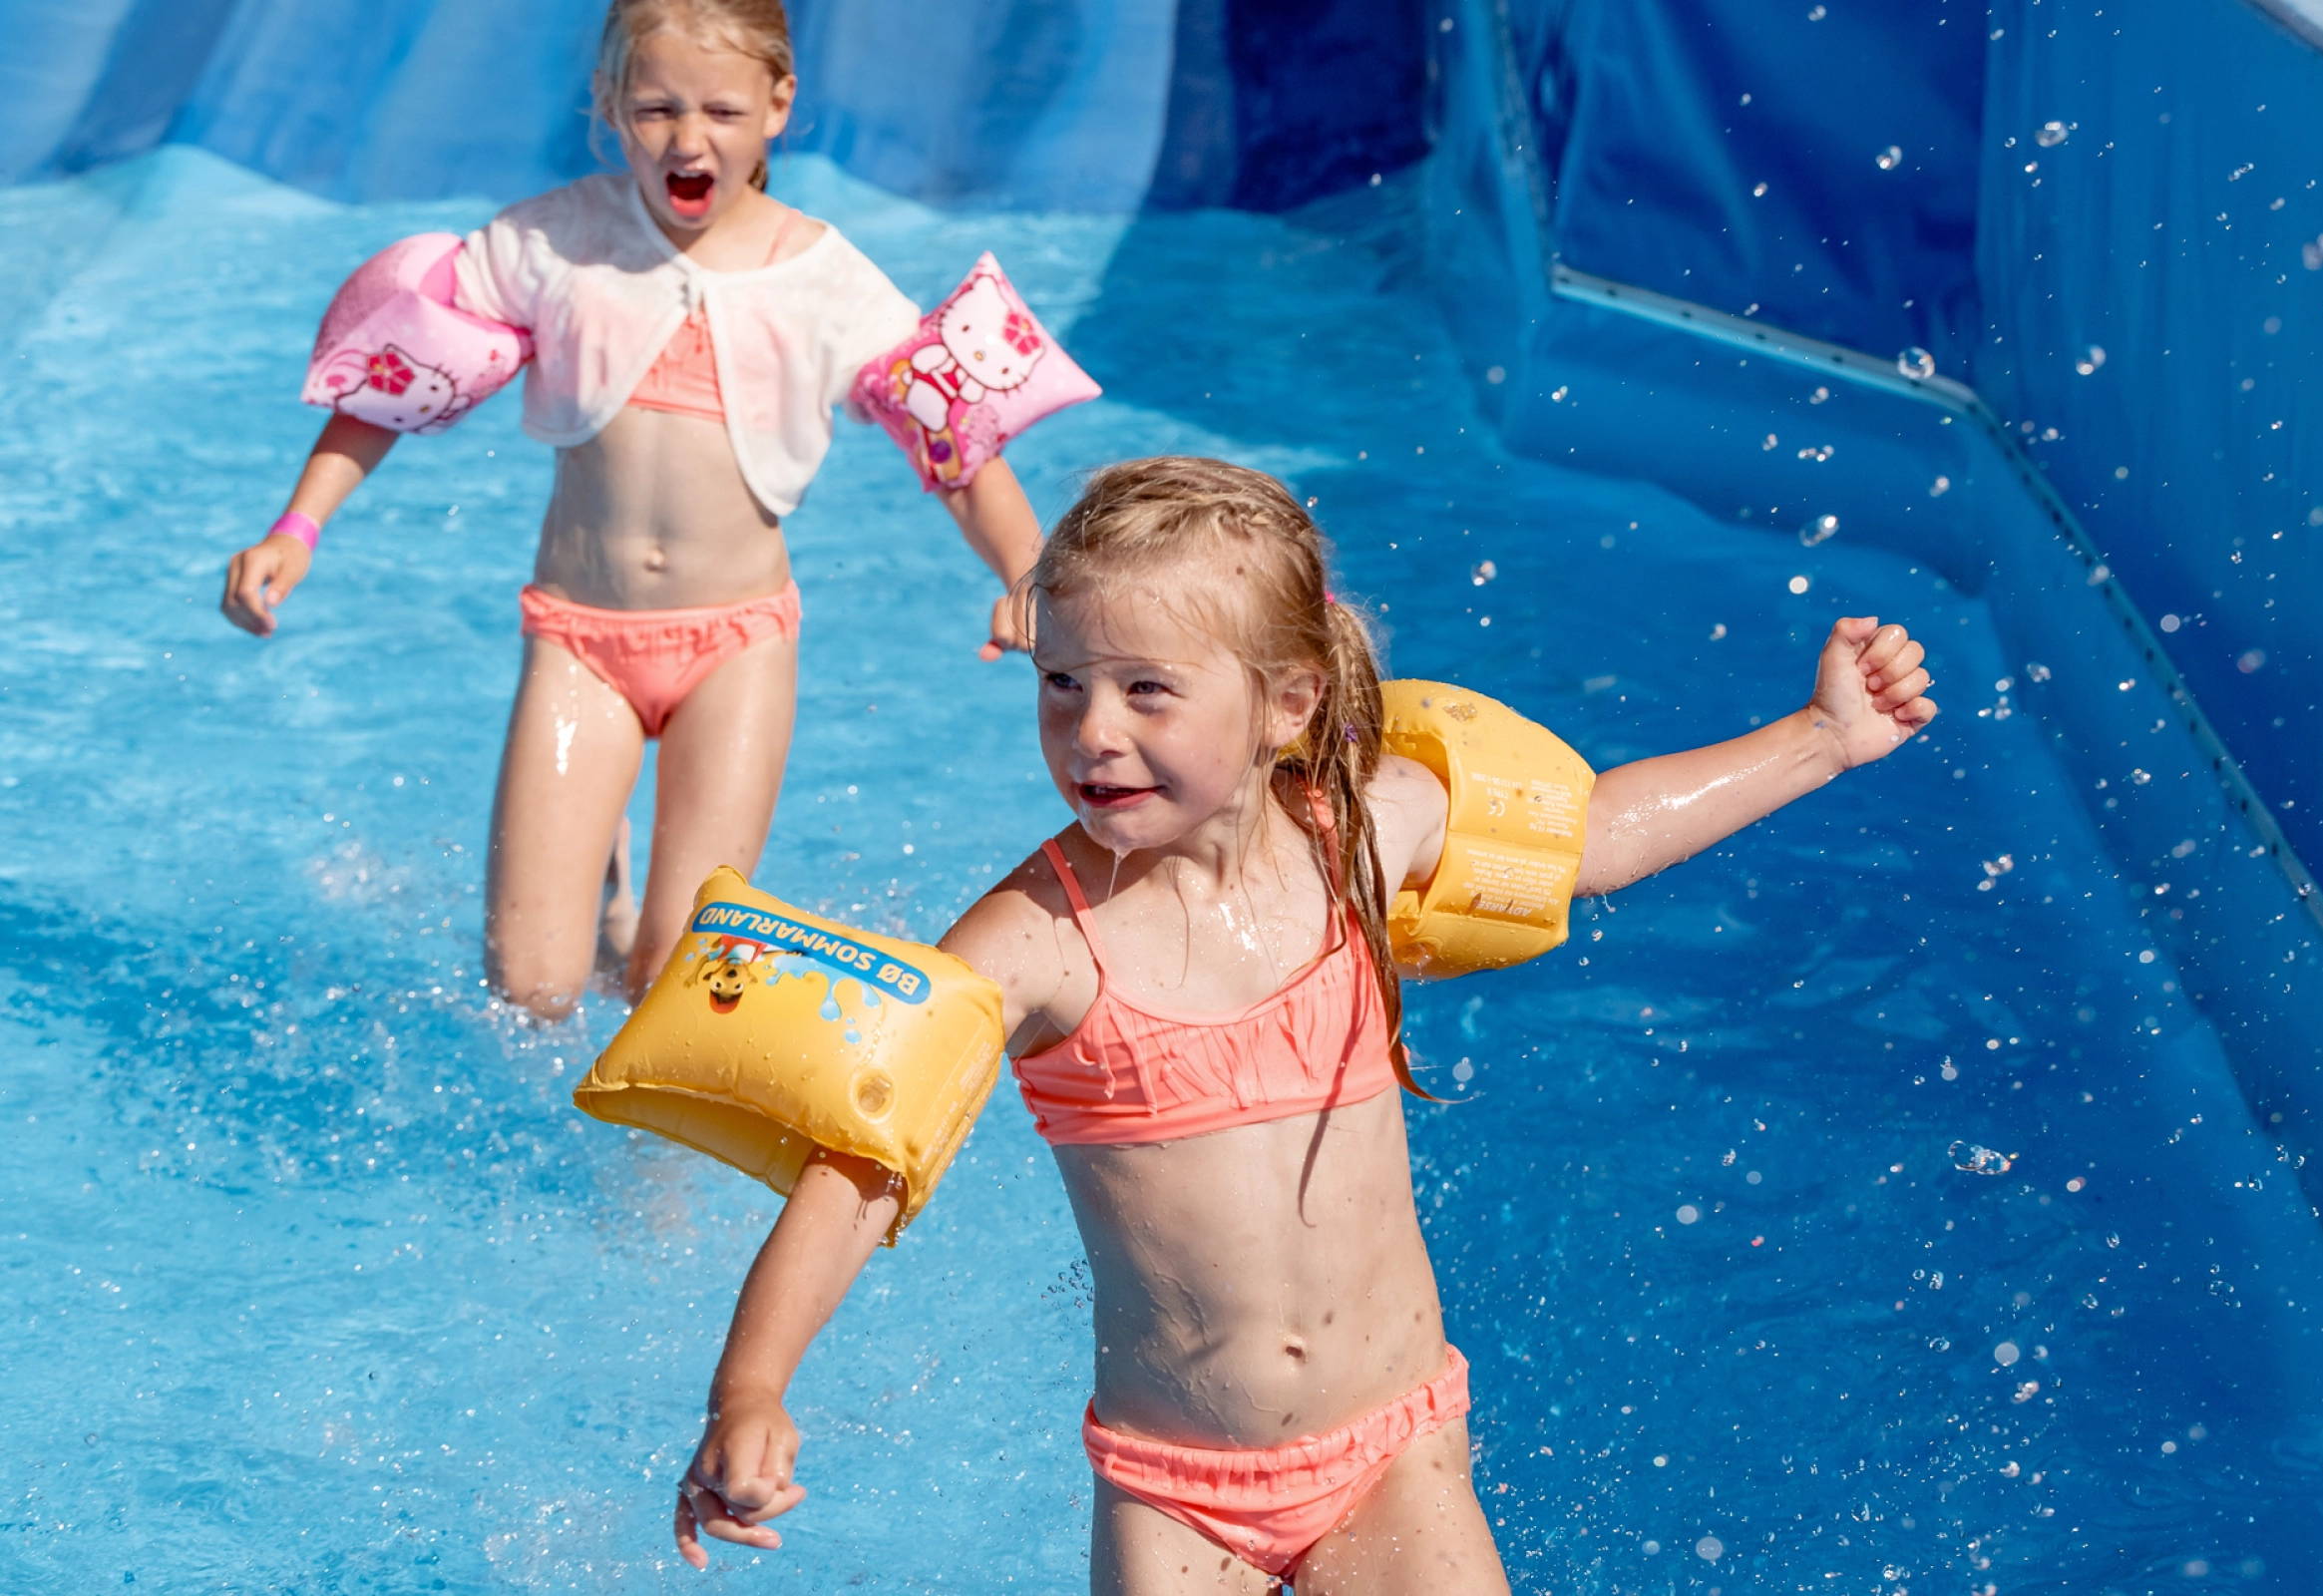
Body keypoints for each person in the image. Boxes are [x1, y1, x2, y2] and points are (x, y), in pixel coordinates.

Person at [668, 457, 1937, 1592]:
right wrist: (751, 1388)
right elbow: (860, 1170)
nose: (1091, 731)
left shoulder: (1367, 836)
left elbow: (1594, 833)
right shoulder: (1035, 942)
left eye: (1147, 690)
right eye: (1063, 682)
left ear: (1286, 702)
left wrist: (1820, 739)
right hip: (1175, 1486)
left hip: (1391, 1445)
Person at [217, 0, 1043, 1020]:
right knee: (527, 989)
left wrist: (1024, 574)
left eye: (722, 111)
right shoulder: (554, 241)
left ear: (780, 106)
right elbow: (399, 376)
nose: (688, 139)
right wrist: (297, 529)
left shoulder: (827, 280)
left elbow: (954, 444)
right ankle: (598, 878)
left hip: (736, 647)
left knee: (675, 985)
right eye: (654, 108)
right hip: (580, 638)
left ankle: (649, 1172)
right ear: (607, 104)